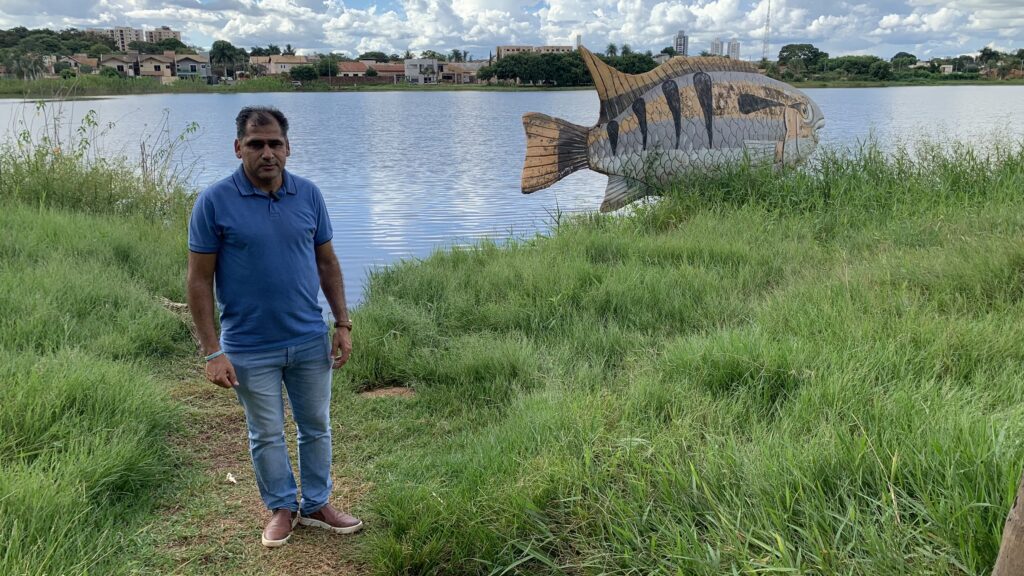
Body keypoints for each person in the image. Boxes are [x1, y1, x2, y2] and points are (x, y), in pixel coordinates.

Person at [186, 105, 362, 548]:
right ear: (238, 148)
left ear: (288, 148)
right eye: (256, 144)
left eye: (275, 144)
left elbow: (327, 262)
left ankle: (318, 503)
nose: (267, 153)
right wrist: (212, 351)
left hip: (307, 339)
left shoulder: (309, 196)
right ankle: (282, 508)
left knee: (315, 426)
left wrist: (342, 323)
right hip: (248, 345)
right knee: (265, 432)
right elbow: (198, 281)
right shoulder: (214, 202)